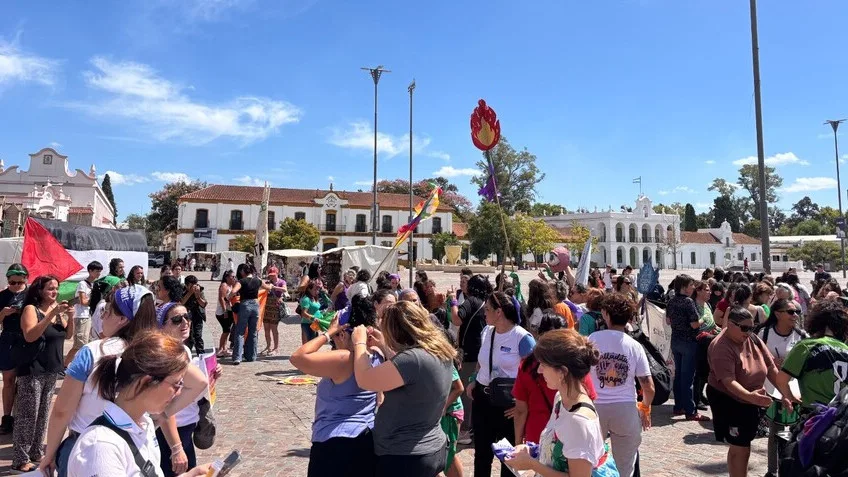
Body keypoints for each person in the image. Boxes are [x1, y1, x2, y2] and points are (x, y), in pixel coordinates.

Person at [40, 285, 207, 477]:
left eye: (107, 311)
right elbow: (199, 382)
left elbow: (62, 411)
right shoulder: (155, 351)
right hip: (136, 439)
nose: (102, 317)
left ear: (122, 319)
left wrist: (50, 453)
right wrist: (161, 413)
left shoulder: (92, 352)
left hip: (85, 442)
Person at [66, 331, 212, 477]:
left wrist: (191, 474)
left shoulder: (144, 424)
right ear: (146, 382)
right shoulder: (101, 447)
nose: (178, 392)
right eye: (176, 384)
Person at [351, 301, 455, 477]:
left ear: (395, 330)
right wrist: (384, 345)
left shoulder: (412, 360)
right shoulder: (438, 350)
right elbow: (410, 373)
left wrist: (358, 343)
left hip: (405, 455)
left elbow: (365, 379)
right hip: (432, 446)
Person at [291, 296, 383, 477]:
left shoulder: (345, 359)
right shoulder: (377, 355)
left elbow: (297, 358)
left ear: (343, 333)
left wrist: (327, 333)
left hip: (334, 443)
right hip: (367, 439)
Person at [504, 329, 615, 476]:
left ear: (562, 372)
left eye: (544, 364)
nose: (539, 370)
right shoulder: (561, 399)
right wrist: (531, 451)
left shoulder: (579, 421)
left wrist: (532, 464)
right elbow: (558, 448)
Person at [707, 306, 785, 477]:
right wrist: (750, 397)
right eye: (744, 328)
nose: (748, 332)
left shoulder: (752, 338)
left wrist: (785, 393)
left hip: (750, 399)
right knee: (740, 446)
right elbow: (729, 382)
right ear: (729, 324)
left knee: (744, 444)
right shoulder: (721, 346)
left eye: (752, 327)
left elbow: (771, 367)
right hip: (729, 399)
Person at [467, 291, 536, 477]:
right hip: (482, 399)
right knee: (481, 454)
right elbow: (481, 361)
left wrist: (523, 405)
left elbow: (535, 375)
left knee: (508, 457)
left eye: (488, 309)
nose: (484, 313)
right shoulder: (486, 332)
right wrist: (474, 379)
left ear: (499, 312)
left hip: (508, 404)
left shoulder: (522, 337)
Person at [11, 275, 74, 472]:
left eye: (56, 289)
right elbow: (30, 336)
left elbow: (68, 335)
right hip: (33, 369)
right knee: (28, 415)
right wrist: (50, 315)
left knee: (43, 414)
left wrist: (70, 316)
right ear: (39, 290)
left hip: (52, 369)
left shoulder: (57, 312)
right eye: (50, 289)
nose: (54, 292)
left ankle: (36, 451)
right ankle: (20, 459)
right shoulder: (31, 309)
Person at [589, 293, 654, 477]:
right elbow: (648, 386)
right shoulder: (634, 346)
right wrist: (645, 408)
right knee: (625, 467)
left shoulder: (592, 338)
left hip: (595, 407)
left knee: (592, 462)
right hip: (625, 408)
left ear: (606, 315)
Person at [155, 303, 222, 477]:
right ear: (162, 325)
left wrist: (211, 374)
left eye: (187, 316)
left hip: (186, 423)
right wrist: (176, 448)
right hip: (170, 430)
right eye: (177, 319)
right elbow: (163, 406)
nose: (185, 322)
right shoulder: (166, 354)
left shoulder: (182, 349)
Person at [755, 298, 806, 477]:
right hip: (772, 389)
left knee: (794, 431)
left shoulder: (801, 336)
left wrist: (792, 365)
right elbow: (756, 357)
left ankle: (791, 468)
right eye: (791, 312)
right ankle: (772, 471)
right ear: (777, 314)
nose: (795, 315)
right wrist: (770, 362)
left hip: (795, 392)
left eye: (797, 312)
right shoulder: (765, 333)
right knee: (775, 432)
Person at [774, 299, 848, 410]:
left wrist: (791, 398)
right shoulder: (845, 348)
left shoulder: (806, 346)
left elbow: (781, 380)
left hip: (816, 415)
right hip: (842, 416)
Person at [448, 274, 491, 439]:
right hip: (483, 352)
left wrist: (452, 301)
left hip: (470, 353)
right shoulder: (487, 302)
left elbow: (457, 320)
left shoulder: (471, 301)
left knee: (466, 391)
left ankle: (465, 429)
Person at [666, 274, 709, 421]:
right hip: (689, 342)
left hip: (675, 340)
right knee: (688, 378)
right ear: (684, 287)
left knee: (678, 376)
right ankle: (690, 411)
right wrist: (704, 319)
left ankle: (678, 406)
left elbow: (668, 321)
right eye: (691, 285)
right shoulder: (688, 302)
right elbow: (694, 324)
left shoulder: (671, 301)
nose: (693, 288)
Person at [0, 263, 29, 434]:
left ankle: (23, 418)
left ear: (26, 279)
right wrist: (3, 314)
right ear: (8, 281)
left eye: (20, 282)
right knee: (9, 380)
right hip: (9, 339)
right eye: (13, 283)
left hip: (27, 338)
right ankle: (7, 418)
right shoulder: (2, 296)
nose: (17, 286)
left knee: (26, 381)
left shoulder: (31, 295)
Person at [228, 264, 273, 365]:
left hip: (245, 305)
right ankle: (251, 356)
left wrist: (229, 297)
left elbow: (234, 291)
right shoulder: (257, 280)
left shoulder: (241, 281)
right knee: (253, 332)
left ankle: (237, 357)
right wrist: (271, 285)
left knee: (240, 332)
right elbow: (268, 287)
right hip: (255, 306)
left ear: (243, 271)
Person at [65, 261, 103, 367]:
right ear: (90, 271)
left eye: (100, 271)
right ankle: (64, 365)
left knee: (88, 343)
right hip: (81, 316)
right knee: (79, 344)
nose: (98, 273)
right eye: (96, 271)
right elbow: (83, 302)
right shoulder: (83, 284)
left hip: (90, 316)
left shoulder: (95, 284)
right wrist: (95, 299)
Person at [261, 267, 288, 356]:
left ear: (277, 274)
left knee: (274, 328)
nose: (272, 276)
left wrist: (274, 287)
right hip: (267, 307)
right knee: (266, 328)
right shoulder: (268, 282)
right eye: (270, 275)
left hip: (275, 307)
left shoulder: (281, 282)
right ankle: (268, 346)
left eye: (273, 275)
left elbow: (284, 289)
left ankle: (276, 348)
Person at [181, 275, 207, 356]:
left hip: (198, 315)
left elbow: (203, 304)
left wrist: (197, 296)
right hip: (186, 316)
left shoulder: (199, 290)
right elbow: (181, 303)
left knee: (198, 336)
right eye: (192, 285)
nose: (195, 287)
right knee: (189, 338)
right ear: (187, 285)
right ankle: (187, 356)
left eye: (195, 284)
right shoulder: (182, 290)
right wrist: (189, 293)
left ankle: (201, 356)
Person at [215, 271, 236, 357]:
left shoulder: (231, 285)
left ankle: (224, 348)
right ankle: (220, 349)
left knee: (227, 330)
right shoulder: (224, 285)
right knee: (226, 330)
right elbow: (221, 299)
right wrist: (225, 311)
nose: (234, 278)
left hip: (229, 310)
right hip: (223, 311)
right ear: (227, 277)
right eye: (232, 276)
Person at [299, 279, 323, 344]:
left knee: (313, 342)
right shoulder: (306, 299)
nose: (317, 291)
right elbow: (303, 313)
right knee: (308, 343)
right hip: (307, 324)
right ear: (309, 289)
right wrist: (313, 318)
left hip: (314, 324)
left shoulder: (314, 297)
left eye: (317, 290)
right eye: (315, 290)